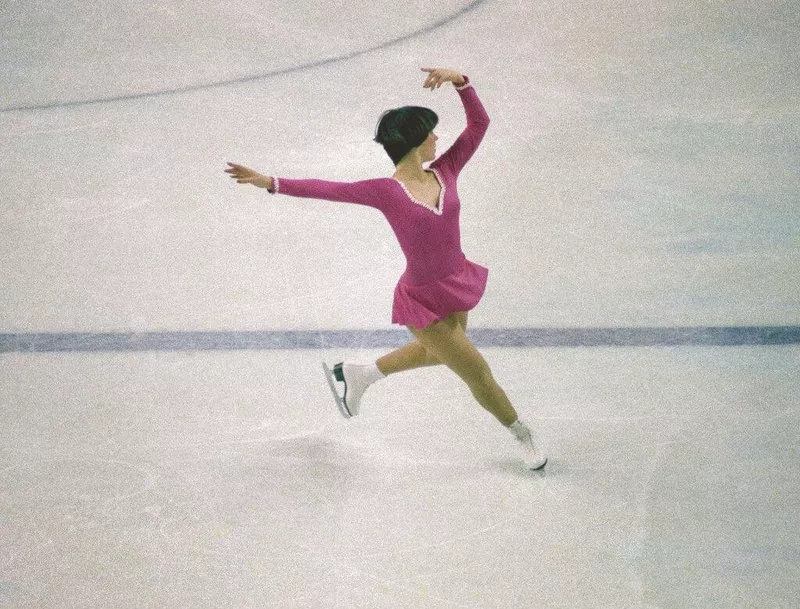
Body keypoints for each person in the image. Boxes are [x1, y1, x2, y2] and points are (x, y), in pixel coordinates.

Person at [225, 67, 546, 470]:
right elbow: (327, 189)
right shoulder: (386, 192)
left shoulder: (445, 170)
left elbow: (479, 125)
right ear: (414, 141)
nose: (437, 137)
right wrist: (269, 181)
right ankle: (523, 435)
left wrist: (461, 82)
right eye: (430, 131)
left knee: (440, 354)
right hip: (422, 299)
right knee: (477, 373)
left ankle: (360, 374)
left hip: (456, 281)